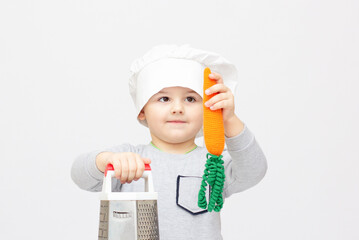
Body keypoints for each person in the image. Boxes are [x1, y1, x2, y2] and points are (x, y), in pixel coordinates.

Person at [71, 44, 267, 240]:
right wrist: (106, 161)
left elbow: (254, 171)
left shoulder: (213, 164)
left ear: (208, 110)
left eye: (190, 99)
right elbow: (80, 176)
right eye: (164, 99)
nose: (177, 108)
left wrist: (230, 120)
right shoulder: (129, 158)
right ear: (142, 111)